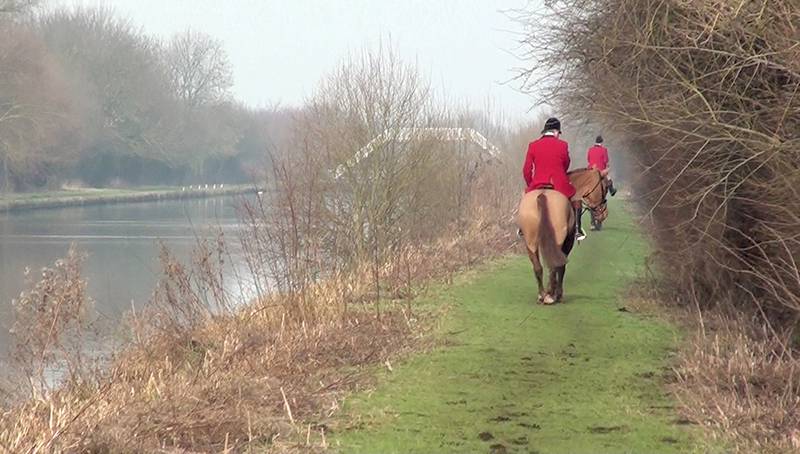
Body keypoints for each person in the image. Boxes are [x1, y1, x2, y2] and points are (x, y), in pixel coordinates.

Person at [522, 117, 586, 241]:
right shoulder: (563, 145)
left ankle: (522, 227)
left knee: (525, 199)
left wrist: (531, 185)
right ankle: (578, 229)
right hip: (559, 184)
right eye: (558, 133)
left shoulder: (533, 145)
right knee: (576, 197)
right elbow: (566, 164)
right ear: (556, 131)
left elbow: (526, 170)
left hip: (537, 184)